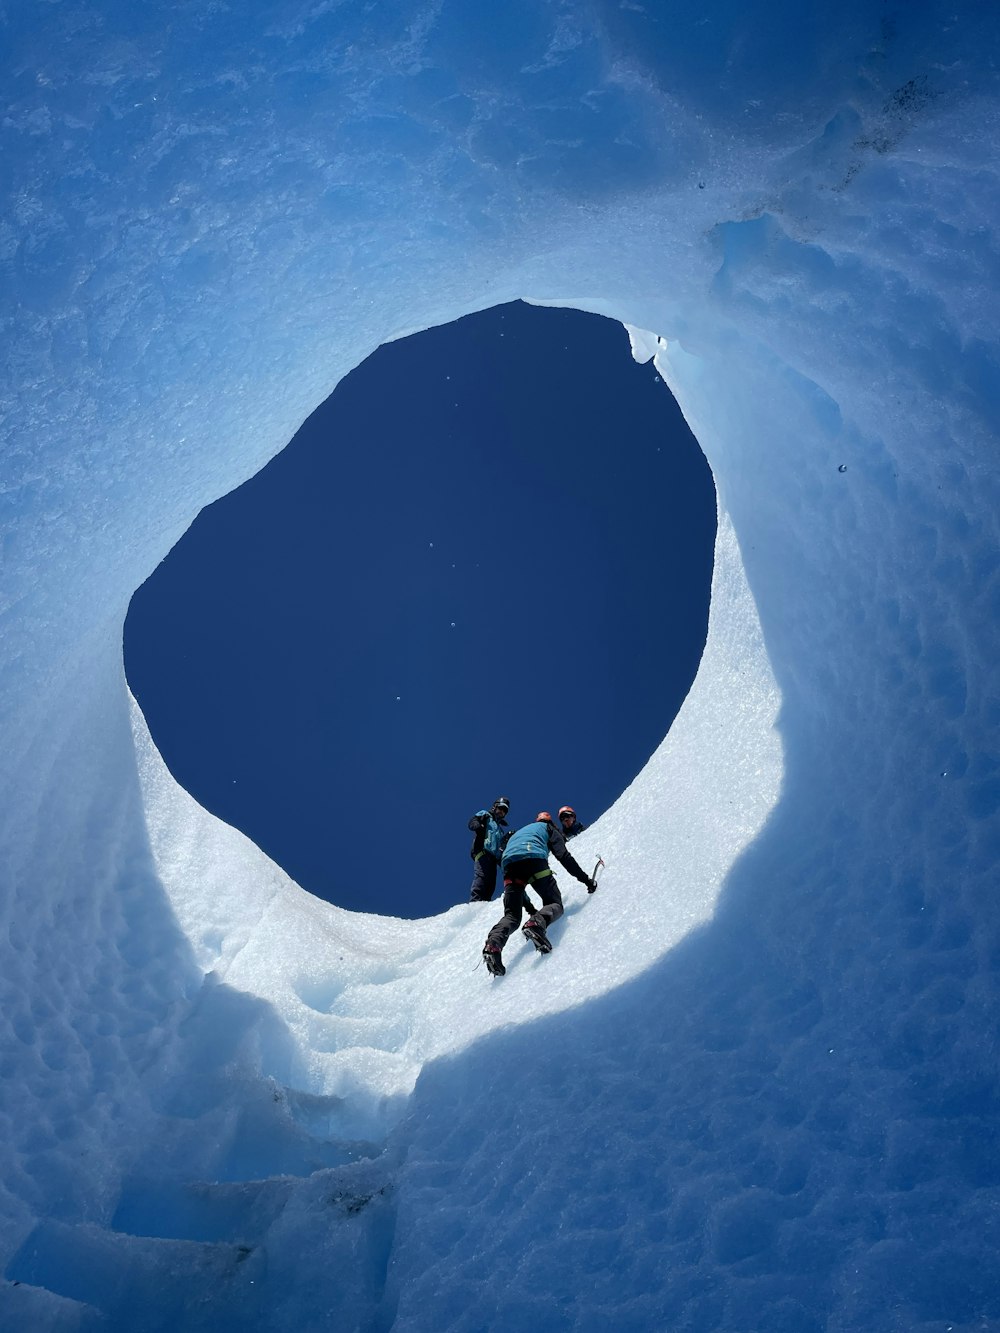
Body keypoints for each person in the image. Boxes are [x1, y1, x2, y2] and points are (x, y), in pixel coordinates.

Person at [482, 812, 597, 976]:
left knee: (512, 916)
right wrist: (586, 881)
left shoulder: (521, 832)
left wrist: (530, 908)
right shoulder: (549, 828)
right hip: (533, 858)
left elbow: (519, 888)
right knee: (554, 903)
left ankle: (493, 945)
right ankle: (536, 924)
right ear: (552, 823)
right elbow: (563, 856)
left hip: (508, 865)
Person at [467, 796, 512, 902]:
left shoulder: (500, 830)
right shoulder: (486, 815)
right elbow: (473, 821)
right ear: (494, 807)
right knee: (481, 879)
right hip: (483, 853)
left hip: (493, 859)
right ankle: (475, 903)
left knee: (490, 884)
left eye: (504, 811)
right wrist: (477, 825)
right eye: (500, 808)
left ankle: (484, 906)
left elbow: (499, 846)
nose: (501, 812)